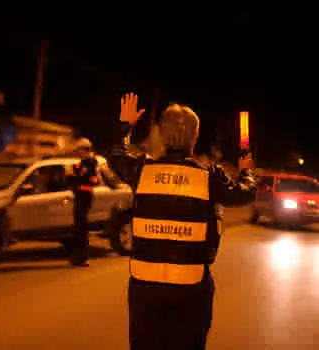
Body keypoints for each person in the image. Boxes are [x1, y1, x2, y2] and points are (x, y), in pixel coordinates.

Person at [109, 93, 257, 349]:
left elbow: (116, 154)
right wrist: (246, 170)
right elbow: (245, 192)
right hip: (191, 288)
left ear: (163, 135)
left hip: (145, 289)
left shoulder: (141, 171)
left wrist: (126, 126)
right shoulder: (208, 177)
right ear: (194, 137)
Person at [67, 138, 99, 267]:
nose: (78, 152)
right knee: (79, 229)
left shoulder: (90, 163)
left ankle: (82, 257)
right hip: (80, 197)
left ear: (84, 149)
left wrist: (75, 176)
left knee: (81, 228)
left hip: (84, 197)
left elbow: (91, 180)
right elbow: (75, 177)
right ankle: (79, 257)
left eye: (79, 150)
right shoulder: (82, 163)